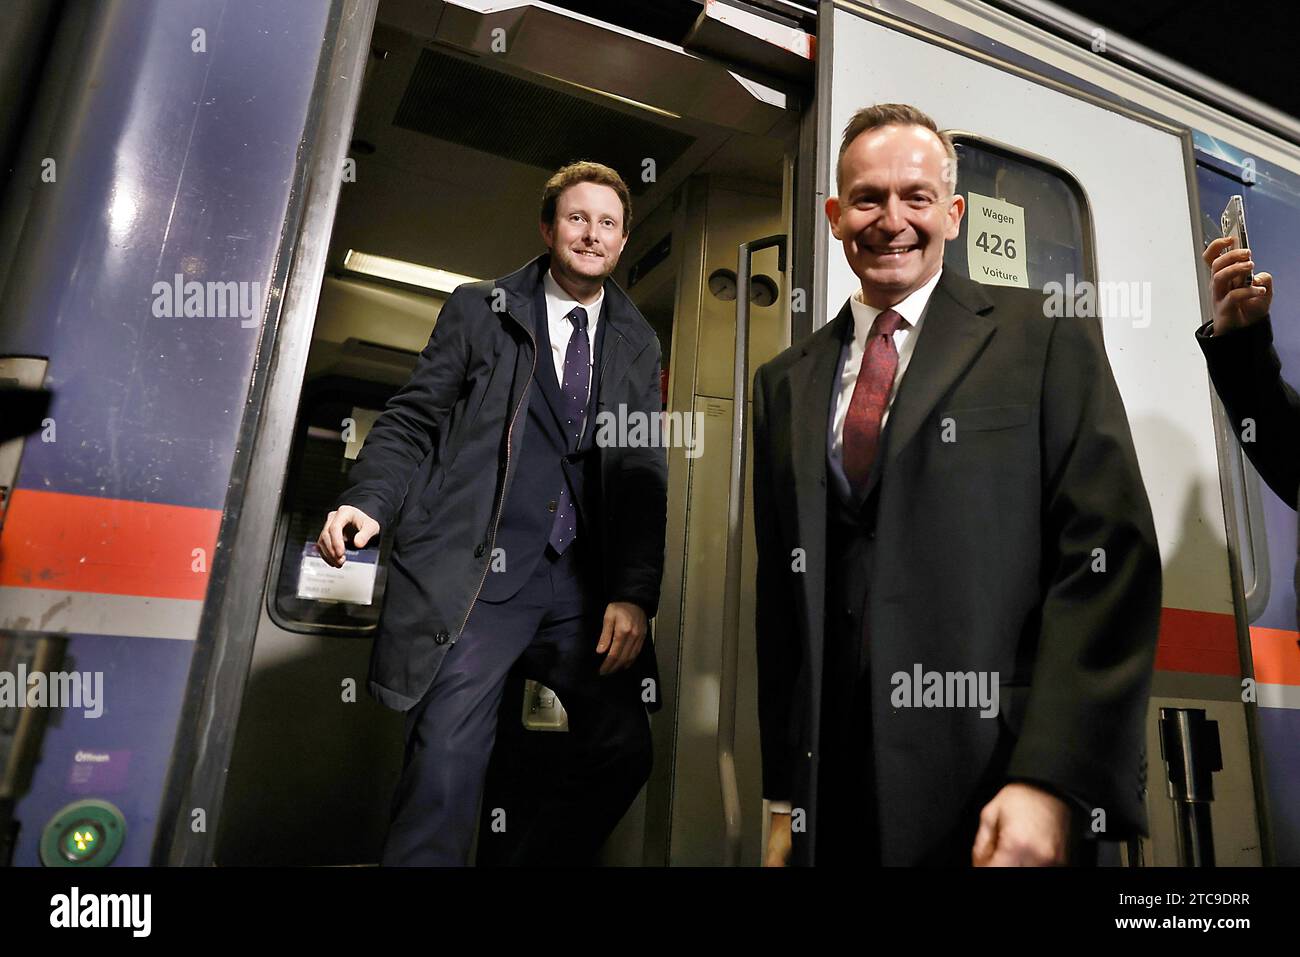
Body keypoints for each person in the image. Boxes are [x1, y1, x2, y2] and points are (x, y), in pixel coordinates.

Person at [751, 103, 1162, 866]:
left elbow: (1109, 560)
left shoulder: (1042, 334)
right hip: (835, 792)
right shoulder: (781, 385)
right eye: (869, 198)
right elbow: (781, 603)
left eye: (916, 196)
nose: (892, 220)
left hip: (997, 779)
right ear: (837, 216)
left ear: (954, 212)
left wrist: (1053, 776)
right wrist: (784, 795)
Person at [317, 161, 667, 865]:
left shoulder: (638, 340)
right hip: (483, 577)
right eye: (577, 218)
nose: (591, 234)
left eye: (606, 223)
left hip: (580, 586)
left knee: (622, 751)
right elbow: (413, 419)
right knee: (444, 764)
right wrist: (367, 498)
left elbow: (640, 471)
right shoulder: (480, 308)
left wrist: (633, 591)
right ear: (548, 227)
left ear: (623, 240)